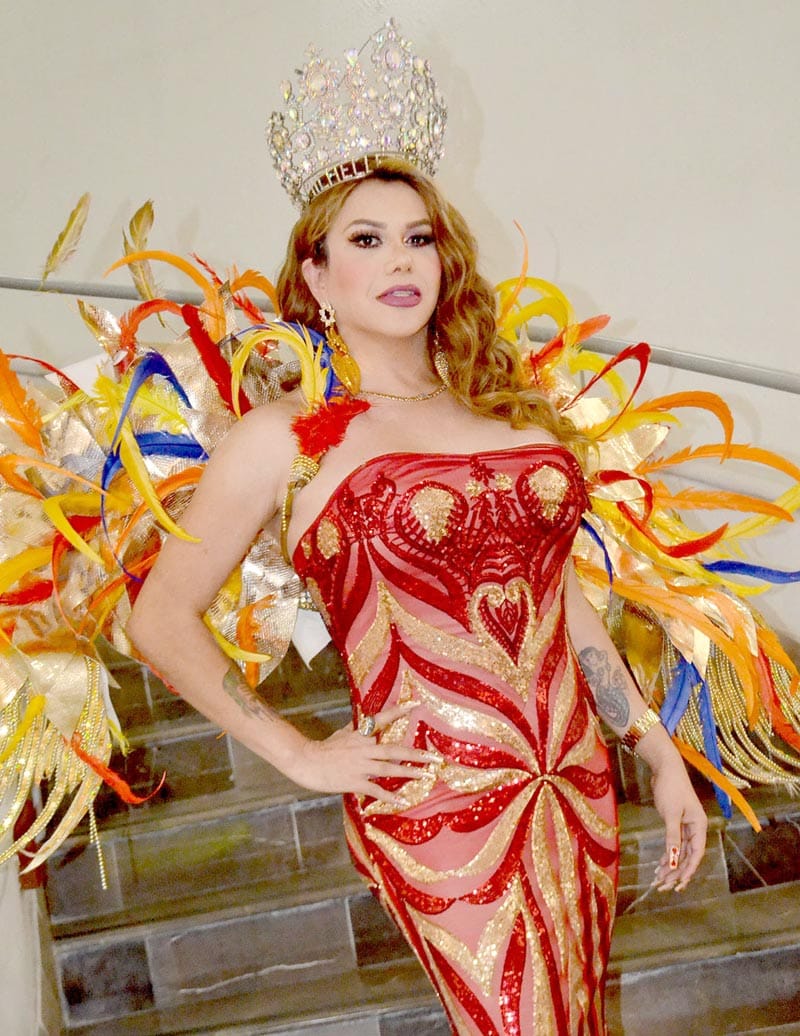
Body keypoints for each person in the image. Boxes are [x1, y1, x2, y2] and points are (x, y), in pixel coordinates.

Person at [124, 25, 708, 1033]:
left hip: (570, 780)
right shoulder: (285, 438)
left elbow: (557, 598)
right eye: (365, 240)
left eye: (418, 237)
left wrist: (652, 748)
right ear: (315, 277)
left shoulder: (505, 412)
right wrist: (298, 754)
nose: (399, 259)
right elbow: (159, 618)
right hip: (435, 803)